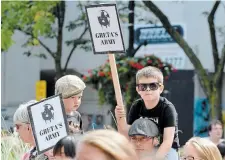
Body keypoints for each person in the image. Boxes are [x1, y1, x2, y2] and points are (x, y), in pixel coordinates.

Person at [115, 66, 179, 160]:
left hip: (166, 150)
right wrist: (119, 119)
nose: (148, 89)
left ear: (160, 88)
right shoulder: (137, 106)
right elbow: (126, 136)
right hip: (142, 148)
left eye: (153, 86)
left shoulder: (168, 108)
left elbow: (167, 142)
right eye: (143, 86)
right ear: (138, 89)